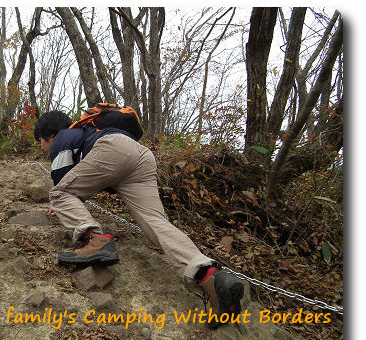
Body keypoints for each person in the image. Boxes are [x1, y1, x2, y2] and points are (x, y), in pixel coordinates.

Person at [33, 110, 243, 328]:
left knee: (58, 195)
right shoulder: (86, 133)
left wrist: (59, 204)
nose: (42, 148)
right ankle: (211, 279)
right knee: (156, 222)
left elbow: (63, 187)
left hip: (112, 150)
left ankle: (95, 240)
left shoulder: (63, 138)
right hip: (141, 156)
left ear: (50, 135)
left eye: (41, 141)